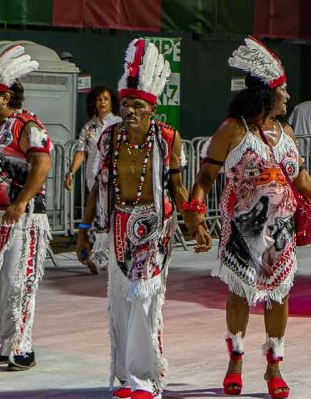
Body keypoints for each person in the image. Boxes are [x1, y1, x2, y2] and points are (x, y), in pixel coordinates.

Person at [181, 37, 311, 399]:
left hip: (281, 233)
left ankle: (274, 366)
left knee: (279, 296)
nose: (288, 98)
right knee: (238, 296)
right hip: (241, 233)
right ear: (266, 96)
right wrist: (196, 215)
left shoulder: (287, 134)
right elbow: (204, 178)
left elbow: (302, 177)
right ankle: (235, 361)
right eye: (283, 92)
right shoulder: (233, 131)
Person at [75, 40, 187, 399]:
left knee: (142, 296)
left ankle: (145, 379)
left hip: (155, 226)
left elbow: (177, 186)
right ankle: (126, 376)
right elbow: (96, 187)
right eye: (126, 104)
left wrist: (195, 221)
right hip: (119, 225)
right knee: (122, 301)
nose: (130, 110)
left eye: (137, 105)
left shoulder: (168, 138)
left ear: (152, 109)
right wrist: (83, 230)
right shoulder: (109, 137)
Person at [0, 44, 50, 370]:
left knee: (19, 283)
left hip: (22, 218)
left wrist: (20, 202)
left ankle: (22, 348)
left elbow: (42, 164)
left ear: (4, 97)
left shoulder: (28, 125)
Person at [64, 85, 122, 274]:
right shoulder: (89, 127)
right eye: (98, 99)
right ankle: (105, 255)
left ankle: (102, 256)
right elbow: (81, 151)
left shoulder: (119, 123)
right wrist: (71, 172)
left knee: (109, 216)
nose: (102, 102)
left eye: (106, 98)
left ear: (112, 102)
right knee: (100, 215)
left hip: (114, 178)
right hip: (93, 178)